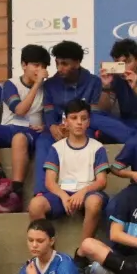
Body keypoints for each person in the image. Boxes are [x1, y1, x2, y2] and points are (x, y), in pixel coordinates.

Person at [27, 99, 109, 247]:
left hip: (88, 192)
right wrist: (63, 196)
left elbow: (102, 181)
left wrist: (82, 192)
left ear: (89, 122)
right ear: (65, 122)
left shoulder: (97, 147)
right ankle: (48, 250)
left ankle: (83, 249)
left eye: (83, 118)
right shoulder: (57, 148)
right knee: (35, 205)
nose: (79, 123)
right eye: (74, 118)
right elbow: (49, 182)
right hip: (64, 191)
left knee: (94, 202)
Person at [0, 43, 50, 213]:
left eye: (43, 66)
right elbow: (19, 110)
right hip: (9, 128)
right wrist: (36, 85)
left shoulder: (47, 88)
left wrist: (46, 125)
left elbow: (52, 113)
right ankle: (0, 178)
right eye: (36, 65)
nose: (39, 70)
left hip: (30, 131)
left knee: (19, 139)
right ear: (24, 65)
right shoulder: (10, 84)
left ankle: (16, 194)